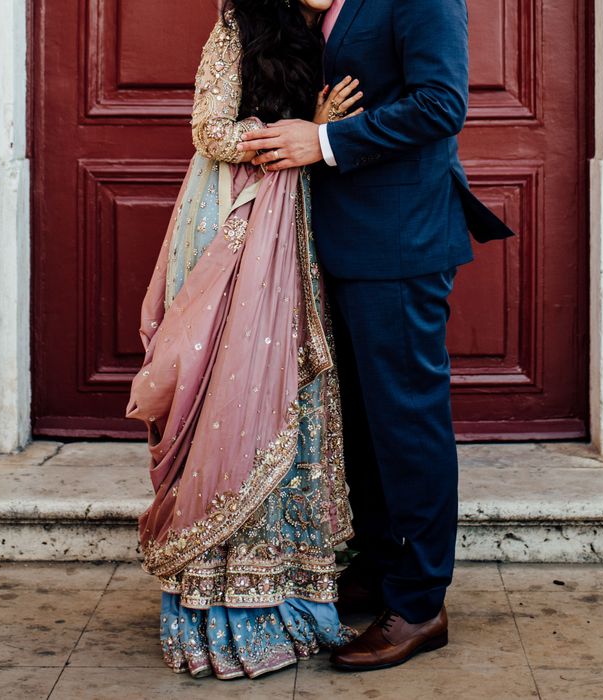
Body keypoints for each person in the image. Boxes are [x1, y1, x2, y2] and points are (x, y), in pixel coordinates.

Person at [238, 0, 515, 672]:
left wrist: (323, 142)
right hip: (338, 242)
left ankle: (420, 604)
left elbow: (440, 104)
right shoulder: (323, 8)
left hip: (401, 241)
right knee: (361, 423)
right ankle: (383, 569)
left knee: (406, 422)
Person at [126, 0, 362, 680]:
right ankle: (221, 606)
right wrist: (304, 133)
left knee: (292, 395)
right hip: (234, 221)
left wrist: (316, 141)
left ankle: (286, 591)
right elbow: (209, 130)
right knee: (233, 396)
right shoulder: (238, 25)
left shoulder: (337, 27)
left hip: (297, 221)